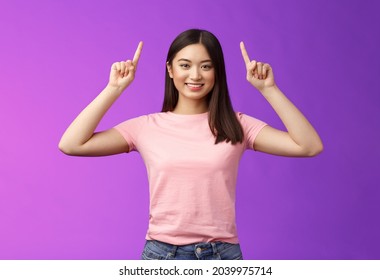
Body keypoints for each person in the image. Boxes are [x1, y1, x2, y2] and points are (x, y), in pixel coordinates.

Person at [59, 29, 323, 260]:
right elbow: (72, 144)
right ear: (170, 69)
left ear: (217, 72)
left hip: (222, 256)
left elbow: (309, 146)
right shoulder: (145, 127)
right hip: (162, 256)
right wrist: (114, 88)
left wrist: (269, 90)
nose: (195, 75)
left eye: (206, 66)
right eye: (185, 65)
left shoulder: (237, 125)